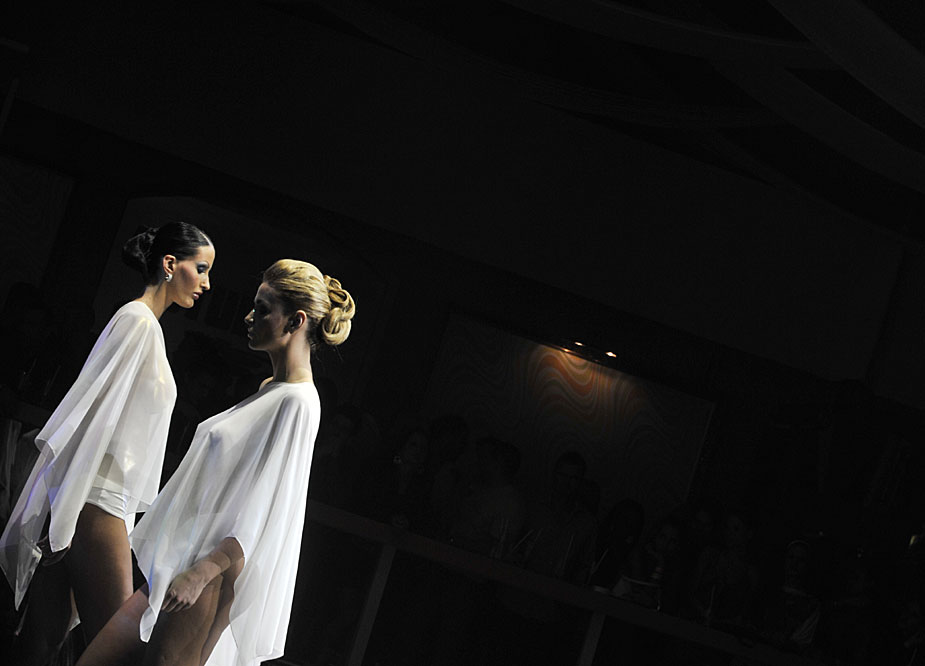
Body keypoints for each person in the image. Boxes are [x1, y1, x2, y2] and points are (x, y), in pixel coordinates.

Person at [75, 258, 355, 666]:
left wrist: (203, 572)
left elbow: (266, 507)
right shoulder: (271, 389)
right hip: (184, 561)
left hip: (207, 574)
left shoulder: (297, 403)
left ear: (296, 321)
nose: (249, 317)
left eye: (262, 309)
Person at [0, 222, 214, 664]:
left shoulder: (144, 325)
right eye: (201, 268)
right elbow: (90, 416)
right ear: (170, 264)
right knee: (116, 651)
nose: (206, 283)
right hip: (98, 501)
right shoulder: (137, 322)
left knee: (41, 645)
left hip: (95, 499)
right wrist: (63, 511)